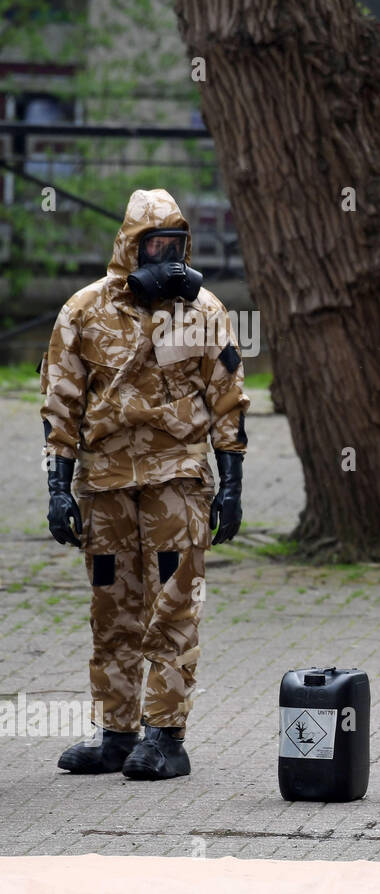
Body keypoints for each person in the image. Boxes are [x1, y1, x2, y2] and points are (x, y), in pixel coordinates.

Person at [40, 188, 249, 780]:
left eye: (176, 245)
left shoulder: (203, 310)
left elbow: (228, 399)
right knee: (112, 608)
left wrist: (231, 484)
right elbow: (60, 400)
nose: (168, 257)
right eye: (154, 245)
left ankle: (166, 736)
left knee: (174, 607)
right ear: (129, 247)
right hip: (103, 484)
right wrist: (58, 488)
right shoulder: (84, 310)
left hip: (177, 481)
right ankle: (116, 733)